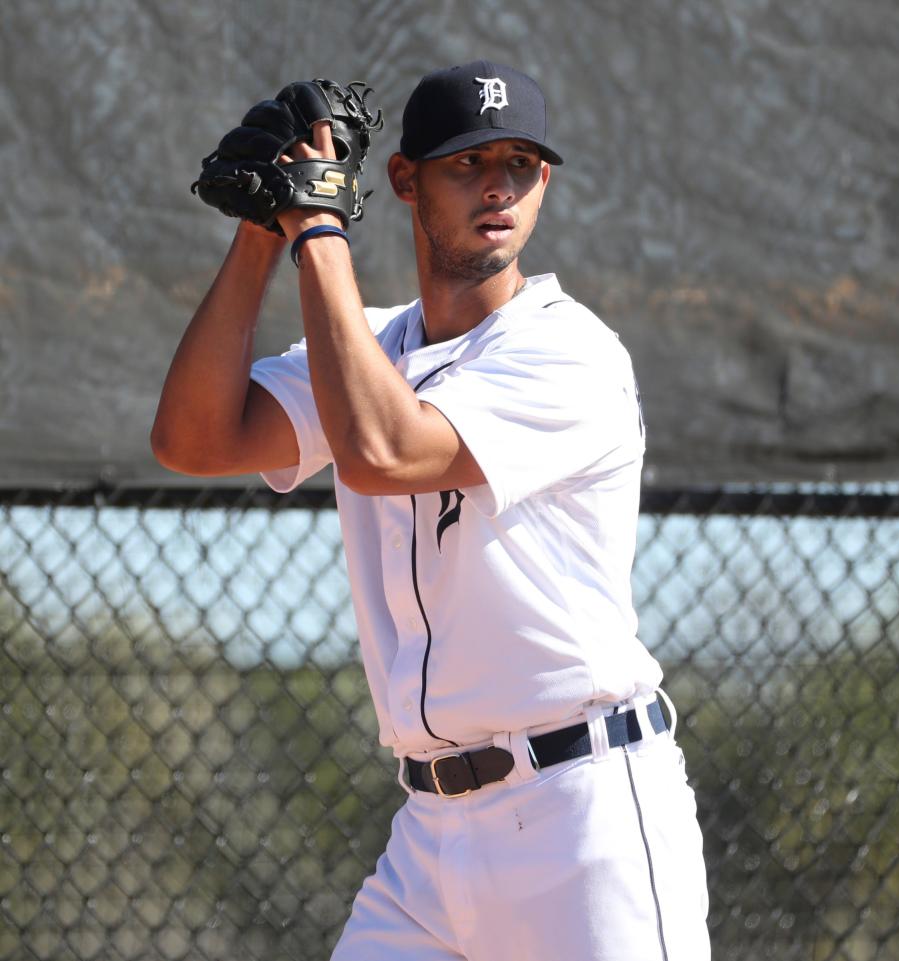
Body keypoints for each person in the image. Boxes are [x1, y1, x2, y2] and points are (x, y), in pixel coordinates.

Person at [152, 60, 710, 961]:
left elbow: (382, 450)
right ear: (405, 180)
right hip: (430, 837)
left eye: (521, 162)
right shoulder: (366, 344)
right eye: (466, 162)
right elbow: (193, 438)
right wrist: (266, 230)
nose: (499, 185)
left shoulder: (571, 351)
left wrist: (317, 225)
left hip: (582, 816)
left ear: (545, 181)